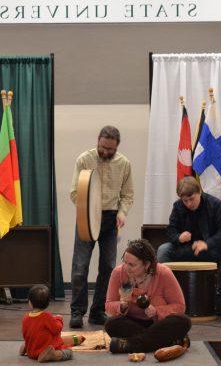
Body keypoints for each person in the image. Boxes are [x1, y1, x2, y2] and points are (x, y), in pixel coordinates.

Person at [69, 125, 134, 328]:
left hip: (110, 219)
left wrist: (122, 214)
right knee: (80, 267)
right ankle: (77, 312)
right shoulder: (84, 160)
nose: (106, 152)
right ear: (98, 140)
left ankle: (97, 312)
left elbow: (127, 195)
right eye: (103, 147)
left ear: (117, 147)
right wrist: (89, 211)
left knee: (107, 267)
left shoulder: (124, 164)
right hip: (86, 216)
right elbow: (74, 193)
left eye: (110, 149)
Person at [104, 239, 191, 358]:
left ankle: (131, 345)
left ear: (147, 264)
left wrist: (157, 311)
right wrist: (122, 305)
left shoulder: (164, 273)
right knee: (111, 324)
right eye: (125, 262)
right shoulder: (118, 273)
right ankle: (166, 341)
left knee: (183, 321)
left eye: (132, 265)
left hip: (159, 324)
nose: (127, 268)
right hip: (133, 325)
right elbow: (108, 305)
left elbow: (180, 306)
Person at [158, 176, 221, 303]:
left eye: (192, 199)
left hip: (211, 250)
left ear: (199, 192)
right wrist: (178, 237)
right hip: (186, 249)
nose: (189, 204)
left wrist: (207, 243)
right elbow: (170, 230)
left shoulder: (216, 205)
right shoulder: (178, 207)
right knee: (163, 250)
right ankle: (167, 295)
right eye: (185, 201)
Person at [21, 285, 84, 362]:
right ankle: (52, 355)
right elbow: (57, 329)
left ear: (30, 302)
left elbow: (25, 334)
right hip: (43, 351)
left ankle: (26, 347)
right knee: (69, 352)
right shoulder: (46, 316)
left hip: (31, 351)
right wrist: (59, 319)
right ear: (48, 303)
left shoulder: (26, 317)